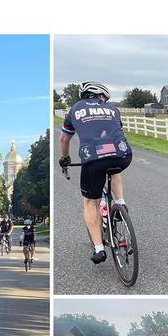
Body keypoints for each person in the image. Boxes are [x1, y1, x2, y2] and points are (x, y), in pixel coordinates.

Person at [57, 81, 132, 264]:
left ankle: (99, 249)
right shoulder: (112, 109)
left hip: (93, 160)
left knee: (90, 202)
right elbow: (115, 131)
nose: (105, 100)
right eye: (104, 98)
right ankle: (121, 204)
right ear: (100, 95)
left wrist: (65, 158)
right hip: (123, 155)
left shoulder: (75, 109)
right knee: (114, 168)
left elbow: (64, 139)